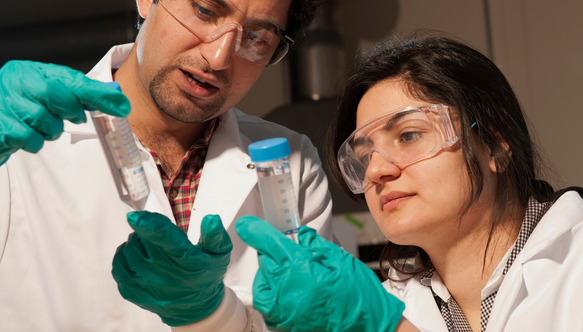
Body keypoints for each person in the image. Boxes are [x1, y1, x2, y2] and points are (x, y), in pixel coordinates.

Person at [233, 33, 583, 331]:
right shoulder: (392, 301)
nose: (377, 170)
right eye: (363, 155)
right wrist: (209, 312)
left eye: (409, 135)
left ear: (494, 146)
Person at [0, 0, 334, 330]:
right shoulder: (17, 142)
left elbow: (313, 321)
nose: (218, 58)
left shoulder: (292, 162)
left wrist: (217, 315)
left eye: (257, 38)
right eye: (205, 11)